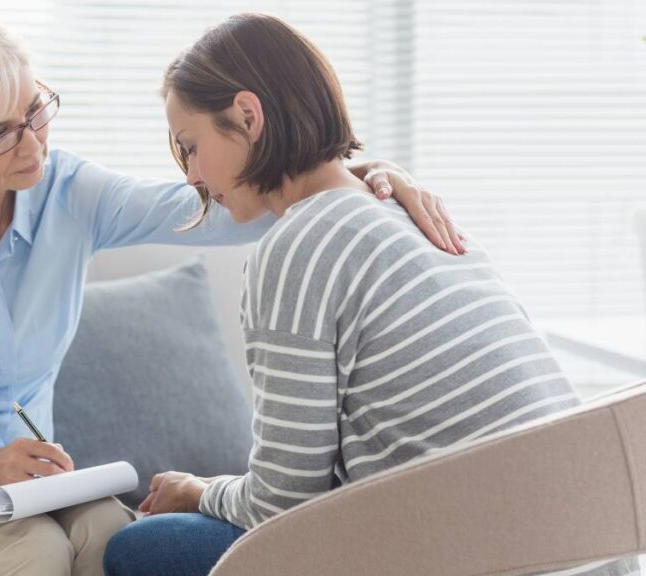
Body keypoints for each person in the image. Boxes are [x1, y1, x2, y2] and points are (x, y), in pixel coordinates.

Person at [0, 9, 461, 576]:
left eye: (34, 110)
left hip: (18, 492)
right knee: (32, 557)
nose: (31, 145)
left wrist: (357, 175)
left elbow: (230, 202)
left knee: (122, 545)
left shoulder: (66, 193)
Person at [103, 13, 639, 576]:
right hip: (593, 549)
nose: (190, 175)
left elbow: (281, 507)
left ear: (246, 115)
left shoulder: (295, 249)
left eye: (190, 147)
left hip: (481, 554)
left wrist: (199, 490)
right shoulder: (420, 219)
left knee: (143, 548)